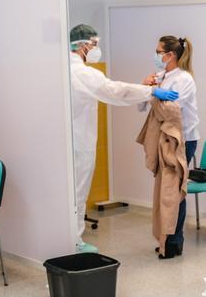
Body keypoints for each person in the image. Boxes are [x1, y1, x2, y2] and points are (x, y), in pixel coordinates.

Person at [68, 24, 178, 253]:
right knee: (77, 194)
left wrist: (143, 89)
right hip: (79, 143)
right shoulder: (83, 73)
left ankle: (67, 238)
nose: (96, 49)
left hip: (67, 142)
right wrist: (150, 91)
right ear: (84, 45)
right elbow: (113, 91)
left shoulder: (62, 69)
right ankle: (74, 243)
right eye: (94, 44)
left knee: (68, 194)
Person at [141, 35, 197, 259]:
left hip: (183, 139)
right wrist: (146, 88)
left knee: (174, 191)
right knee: (166, 189)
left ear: (170, 55)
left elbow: (171, 111)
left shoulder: (184, 79)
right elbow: (143, 106)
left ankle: (174, 242)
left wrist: (153, 93)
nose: (156, 55)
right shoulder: (160, 76)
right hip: (164, 138)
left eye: (158, 51)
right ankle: (167, 238)